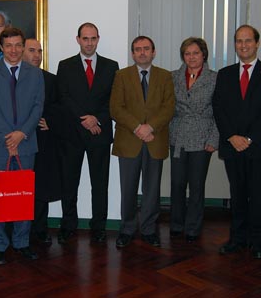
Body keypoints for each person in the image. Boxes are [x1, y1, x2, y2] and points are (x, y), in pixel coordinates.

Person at [212, 25, 261, 259]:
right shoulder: (225, 73)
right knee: (237, 194)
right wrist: (232, 137)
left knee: (256, 193)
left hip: (259, 146)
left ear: (257, 43)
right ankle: (237, 239)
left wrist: (249, 138)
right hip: (233, 145)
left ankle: (257, 241)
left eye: (248, 41)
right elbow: (219, 109)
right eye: (239, 41)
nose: (243, 45)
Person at [0, 27, 44, 263]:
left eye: (18, 45)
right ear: (1, 47)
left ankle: (21, 242)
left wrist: (21, 134)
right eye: (9, 45)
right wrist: (9, 138)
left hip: (26, 144)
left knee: (23, 195)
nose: (14, 50)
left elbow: (38, 107)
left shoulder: (35, 74)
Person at [56, 22, 119, 244]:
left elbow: (114, 99)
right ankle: (68, 224)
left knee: (100, 183)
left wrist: (97, 118)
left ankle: (99, 226)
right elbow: (63, 97)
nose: (89, 42)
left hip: (99, 132)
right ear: (78, 39)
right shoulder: (65, 66)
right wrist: (85, 118)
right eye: (85, 38)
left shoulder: (112, 66)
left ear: (98, 39)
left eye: (93, 38)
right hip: (73, 133)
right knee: (69, 182)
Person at [110, 35, 175, 248]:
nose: (142, 52)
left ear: (153, 52)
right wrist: (138, 127)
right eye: (138, 49)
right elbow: (116, 108)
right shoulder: (121, 75)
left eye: (146, 49)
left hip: (154, 140)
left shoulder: (165, 76)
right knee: (128, 189)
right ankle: (127, 229)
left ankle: (148, 229)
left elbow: (169, 107)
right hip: (129, 140)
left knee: (152, 189)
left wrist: (150, 127)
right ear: (133, 53)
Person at [169, 37, 219, 242]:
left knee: (197, 185)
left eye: (196, 53)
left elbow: (220, 111)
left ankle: (193, 228)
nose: (191, 57)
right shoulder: (172, 77)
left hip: (202, 136)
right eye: (187, 53)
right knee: (177, 184)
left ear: (203, 55)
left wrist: (214, 138)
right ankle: (176, 224)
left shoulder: (215, 78)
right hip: (178, 136)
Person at [22, 38, 62, 244]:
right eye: (32, 50)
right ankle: (19, 230)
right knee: (19, 188)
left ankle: (40, 228)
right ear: (21, 52)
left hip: (43, 141)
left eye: (39, 50)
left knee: (40, 188)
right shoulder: (13, 77)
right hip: (19, 142)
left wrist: (51, 122)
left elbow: (59, 106)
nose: (36, 55)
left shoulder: (51, 79)